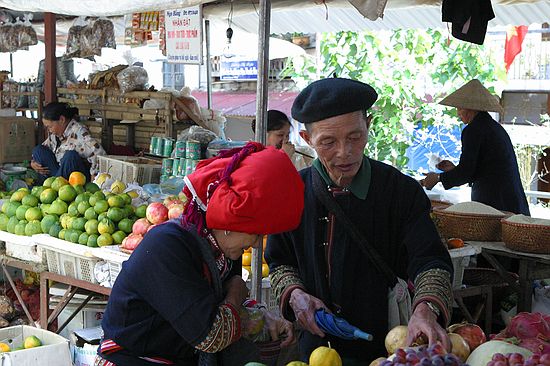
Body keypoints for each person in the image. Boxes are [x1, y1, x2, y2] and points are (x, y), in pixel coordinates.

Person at [265, 78, 454, 363]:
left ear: (369, 124)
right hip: (315, 351)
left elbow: (431, 261)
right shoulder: (292, 192)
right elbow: (280, 264)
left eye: (355, 136)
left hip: (389, 349)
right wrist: (295, 295)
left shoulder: (400, 191)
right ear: (307, 140)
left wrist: (426, 308)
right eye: (328, 142)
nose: (345, 152)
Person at [96, 142, 305, 365]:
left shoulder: (220, 250)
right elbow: (211, 336)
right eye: (255, 234)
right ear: (229, 222)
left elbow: (219, 304)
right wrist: (236, 293)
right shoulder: (168, 247)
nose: (255, 244)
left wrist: (263, 315)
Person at [421, 79, 530, 216]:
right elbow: (478, 169)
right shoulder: (492, 127)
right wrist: (454, 170)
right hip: (508, 200)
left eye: (460, 108)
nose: (458, 113)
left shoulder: (474, 130)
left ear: (471, 108)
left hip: (496, 202)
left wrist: (437, 178)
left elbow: (466, 172)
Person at [31, 102, 106, 183]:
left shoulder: (79, 132)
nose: (49, 130)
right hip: (60, 173)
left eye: (50, 126)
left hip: (75, 178)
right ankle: (48, 187)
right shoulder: (56, 134)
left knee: (70, 156)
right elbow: (44, 149)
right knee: (38, 150)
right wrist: (33, 163)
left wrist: (94, 178)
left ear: (62, 120)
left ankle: (54, 187)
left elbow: (99, 153)